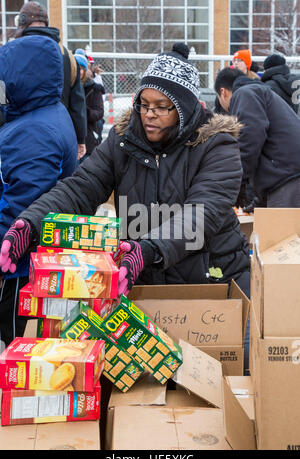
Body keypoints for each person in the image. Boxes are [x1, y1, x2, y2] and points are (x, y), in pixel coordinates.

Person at [0, 44, 250, 358]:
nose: (149, 115)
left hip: (211, 285)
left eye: (162, 107)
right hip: (145, 287)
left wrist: (150, 249)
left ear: (184, 108)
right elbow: (82, 186)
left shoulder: (216, 145)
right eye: (144, 104)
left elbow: (203, 212)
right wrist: (30, 223)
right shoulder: (122, 140)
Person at [0, 35, 77, 349]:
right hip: (33, 258)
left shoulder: (35, 130)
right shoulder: (44, 113)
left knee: (13, 342)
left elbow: (23, 202)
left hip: (21, 265)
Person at [215, 67, 300, 208]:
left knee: (283, 230)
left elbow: (249, 139)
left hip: (288, 182)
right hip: (289, 178)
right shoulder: (260, 93)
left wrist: (237, 182)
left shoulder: (244, 94)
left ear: (222, 92)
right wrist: (259, 202)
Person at [14, 1, 87, 161]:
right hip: (59, 140)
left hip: (20, 141)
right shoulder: (67, 56)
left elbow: (1, 98)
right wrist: (80, 138)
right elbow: (77, 104)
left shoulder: (10, 53)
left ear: (22, 22)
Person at [74, 53, 105, 163]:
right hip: (71, 139)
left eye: (81, 68)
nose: (79, 72)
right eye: (76, 68)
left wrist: (83, 111)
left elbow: (99, 113)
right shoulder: (68, 89)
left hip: (89, 137)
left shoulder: (94, 89)